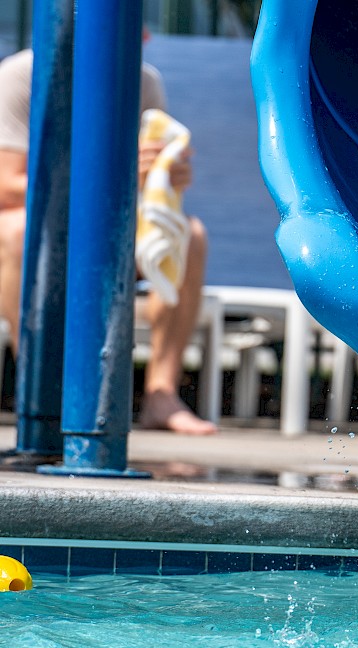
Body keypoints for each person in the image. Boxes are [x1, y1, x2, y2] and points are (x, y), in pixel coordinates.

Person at [0, 46, 217, 435]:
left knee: (189, 235)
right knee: (17, 231)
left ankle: (161, 394)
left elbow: (148, 189)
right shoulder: (21, 76)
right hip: (36, 232)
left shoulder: (144, 80)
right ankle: (37, 393)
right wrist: (110, 170)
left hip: (104, 232)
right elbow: (7, 185)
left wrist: (167, 174)